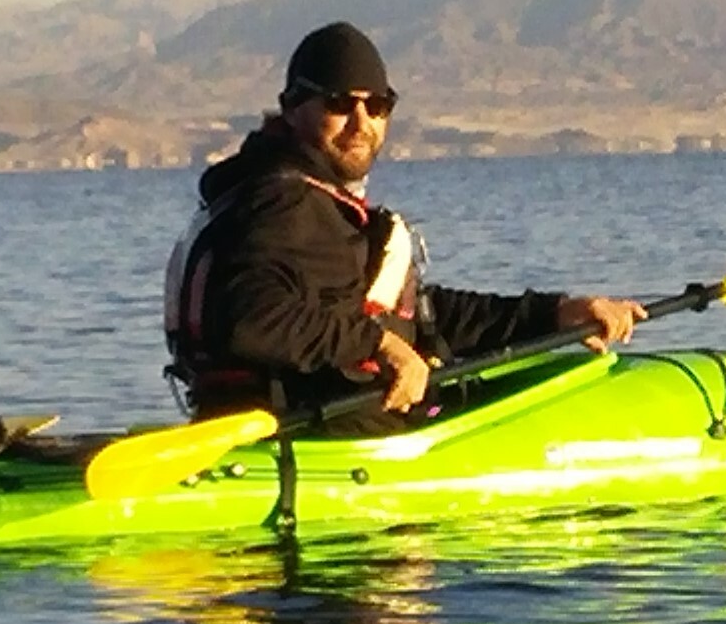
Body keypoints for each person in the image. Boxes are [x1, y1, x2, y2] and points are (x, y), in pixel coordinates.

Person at [164, 22, 644, 419]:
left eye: (376, 106)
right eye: (339, 103)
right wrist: (382, 347)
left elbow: (416, 316)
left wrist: (555, 313)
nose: (360, 122)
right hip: (324, 437)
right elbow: (251, 319)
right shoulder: (283, 204)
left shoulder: (302, 200)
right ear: (292, 109)